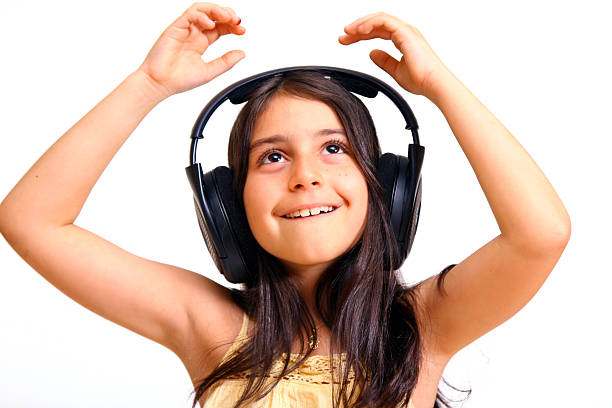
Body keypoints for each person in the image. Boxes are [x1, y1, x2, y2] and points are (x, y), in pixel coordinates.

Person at [0, 3, 571, 408]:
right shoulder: (210, 324)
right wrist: (149, 83)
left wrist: (441, 85)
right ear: (227, 203)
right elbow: (31, 220)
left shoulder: (425, 326)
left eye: (334, 148)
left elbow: (540, 234)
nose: (305, 177)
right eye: (272, 157)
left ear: (384, 186)